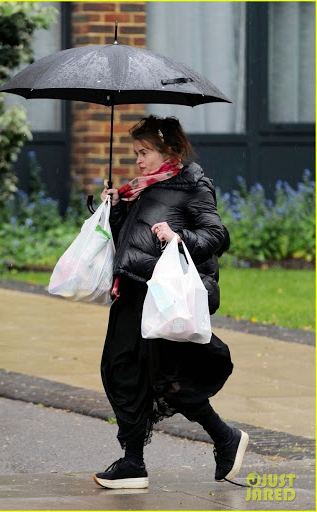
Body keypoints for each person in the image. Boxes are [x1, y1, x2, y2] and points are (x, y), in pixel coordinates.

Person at [93, 115, 249, 490]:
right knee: (122, 371)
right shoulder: (139, 189)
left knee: (164, 378)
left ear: (170, 151)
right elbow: (131, 241)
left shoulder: (192, 185)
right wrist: (114, 208)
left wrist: (177, 237)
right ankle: (136, 462)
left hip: (160, 297)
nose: (139, 160)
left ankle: (221, 439)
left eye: (145, 152)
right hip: (132, 290)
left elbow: (216, 235)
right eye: (136, 153)